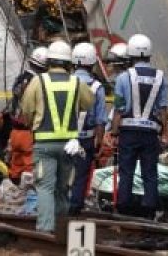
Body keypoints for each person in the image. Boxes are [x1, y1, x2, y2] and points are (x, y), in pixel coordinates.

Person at [20, 40, 95, 233]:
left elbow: (26, 109)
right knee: (63, 189)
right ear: (69, 63)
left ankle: (45, 229)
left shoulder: (39, 81)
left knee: (45, 187)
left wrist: (33, 123)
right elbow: (88, 103)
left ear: (49, 61)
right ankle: (62, 230)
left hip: (44, 144)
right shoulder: (76, 82)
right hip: (69, 145)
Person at [110, 33, 168, 219]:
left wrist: (113, 132)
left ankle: (123, 205)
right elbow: (162, 110)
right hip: (150, 133)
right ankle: (149, 207)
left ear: (131, 54)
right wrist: (165, 133)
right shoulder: (161, 78)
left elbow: (119, 109)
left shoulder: (123, 78)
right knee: (150, 172)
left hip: (127, 132)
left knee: (126, 171)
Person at [68, 42, 106, 215]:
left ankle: (60, 207)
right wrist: (99, 144)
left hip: (64, 137)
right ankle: (75, 208)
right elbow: (100, 121)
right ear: (92, 62)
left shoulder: (64, 82)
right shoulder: (97, 87)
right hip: (86, 139)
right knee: (81, 176)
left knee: (63, 172)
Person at [8, 46, 47, 184]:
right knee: (30, 168)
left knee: (15, 167)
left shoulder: (20, 78)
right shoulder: (39, 83)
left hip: (15, 132)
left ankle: (13, 196)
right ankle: (28, 201)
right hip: (28, 133)